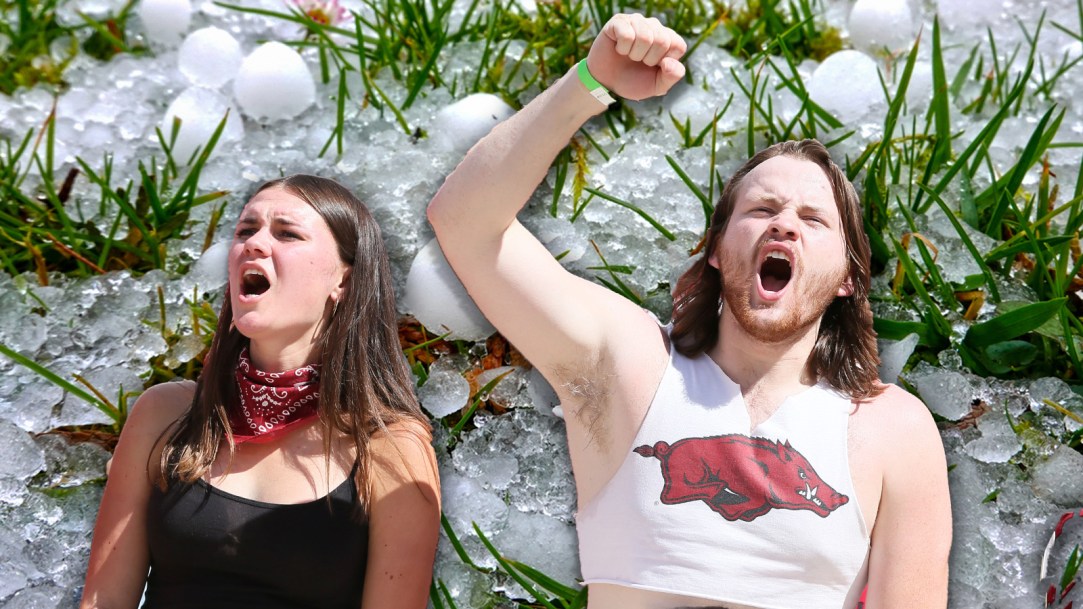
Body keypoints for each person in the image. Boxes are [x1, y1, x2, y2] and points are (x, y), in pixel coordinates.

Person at [427, 13, 950, 609]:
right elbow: (465, 222)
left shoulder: (891, 428)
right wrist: (589, 83)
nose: (784, 224)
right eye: (761, 210)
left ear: (849, 279)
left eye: (813, 219)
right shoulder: (630, 364)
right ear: (718, 252)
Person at [81, 175, 440, 609]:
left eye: (287, 233)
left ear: (343, 280)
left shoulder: (389, 446)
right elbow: (103, 600)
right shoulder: (166, 413)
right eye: (245, 231)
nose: (253, 244)